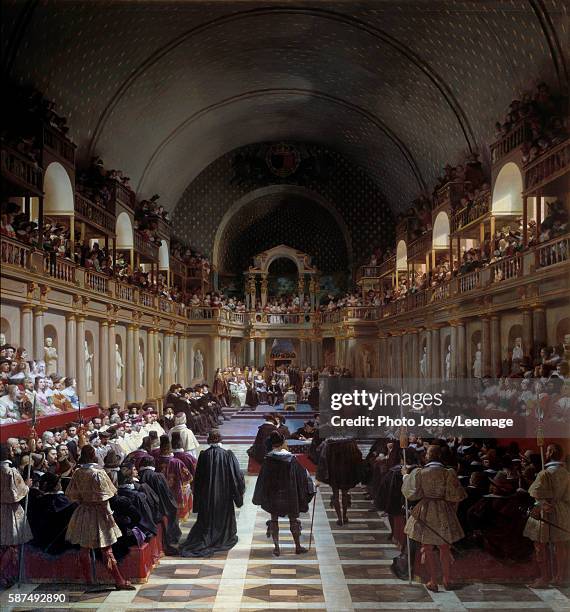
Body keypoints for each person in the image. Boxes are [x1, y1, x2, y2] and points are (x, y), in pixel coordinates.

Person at [65, 444, 135, 590]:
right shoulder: (98, 473)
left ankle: (89, 580)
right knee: (106, 548)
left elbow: (72, 494)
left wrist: (84, 500)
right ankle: (119, 581)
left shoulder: (78, 472)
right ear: (93, 456)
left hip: (83, 512)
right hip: (100, 512)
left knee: (84, 548)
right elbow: (109, 494)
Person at [402, 444, 467, 592]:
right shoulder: (448, 472)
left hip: (426, 509)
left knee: (428, 547)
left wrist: (406, 476)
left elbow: (411, 493)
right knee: (444, 547)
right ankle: (447, 579)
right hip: (443, 510)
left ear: (428, 456)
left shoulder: (420, 472)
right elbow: (456, 495)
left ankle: (433, 580)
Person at [180, 430, 245, 558]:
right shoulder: (228, 455)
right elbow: (236, 477)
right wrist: (238, 493)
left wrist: (198, 496)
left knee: (206, 519)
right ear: (221, 439)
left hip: (207, 495)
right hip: (224, 495)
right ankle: (222, 536)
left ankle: (207, 537)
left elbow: (197, 479)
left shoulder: (204, 455)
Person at [253, 431, 315, 556]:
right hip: (290, 494)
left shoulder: (268, 459)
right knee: (293, 520)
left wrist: (261, 495)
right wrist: (311, 486)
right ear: (282, 443)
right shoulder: (291, 459)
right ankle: (297, 546)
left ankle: (277, 548)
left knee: (274, 520)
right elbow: (302, 476)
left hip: (273, 495)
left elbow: (263, 479)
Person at [523, 443, 570, 587]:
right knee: (560, 545)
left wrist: (541, 504)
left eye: (548, 451)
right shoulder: (567, 473)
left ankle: (544, 578)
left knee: (540, 544)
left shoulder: (545, 473)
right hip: (562, 510)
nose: (546, 453)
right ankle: (559, 577)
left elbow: (536, 493)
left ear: (550, 453)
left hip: (545, 509)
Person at [0, 443, 33, 587]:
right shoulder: (10, 471)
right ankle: (2, 573)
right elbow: (16, 494)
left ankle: (7, 575)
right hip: (10, 510)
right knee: (12, 544)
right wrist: (27, 486)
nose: (13, 451)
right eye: (11, 449)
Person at [138, 456, 181, 555]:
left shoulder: (138, 475)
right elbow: (166, 495)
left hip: (143, 511)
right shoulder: (157, 476)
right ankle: (171, 542)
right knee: (172, 511)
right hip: (157, 510)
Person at [316, 437, 363, 526]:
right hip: (346, 471)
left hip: (334, 471)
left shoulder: (329, 441)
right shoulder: (350, 441)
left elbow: (321, 456)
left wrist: (320, 475)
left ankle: (339, 518)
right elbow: (358, 456)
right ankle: (344, 516)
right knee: (345, 494)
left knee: (335, 494)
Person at [28, 472, 77, 555]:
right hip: (63, 547)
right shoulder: (71, 504)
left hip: (40, 545)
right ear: (57, 486)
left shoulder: (35, 502)